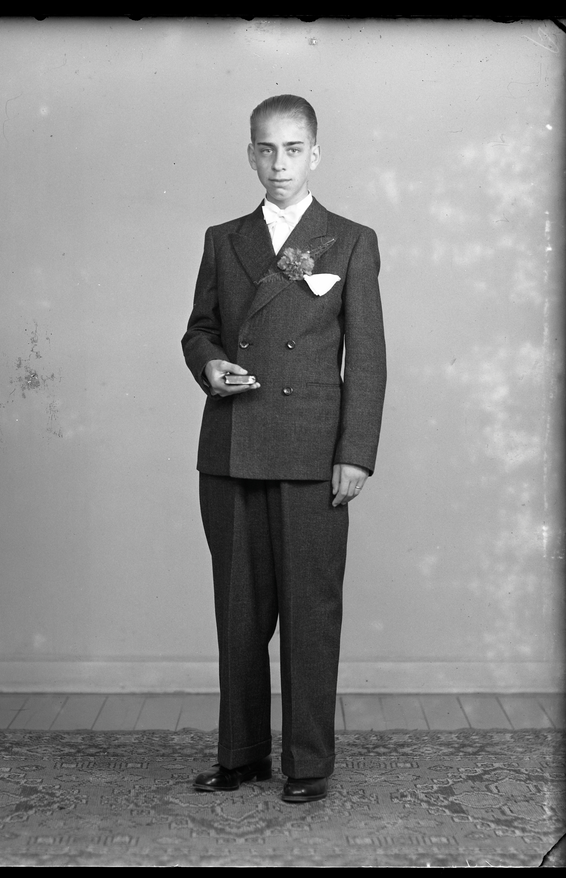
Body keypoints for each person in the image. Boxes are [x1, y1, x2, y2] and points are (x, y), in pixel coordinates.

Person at [181, 95, 386, 803]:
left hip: (310, 451)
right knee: (238, 613)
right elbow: (199, 329)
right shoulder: (223, 238)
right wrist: (209, 365)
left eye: (293, 149)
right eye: (266, 149)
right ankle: (240, 756)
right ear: (250, 155)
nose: (279, 164)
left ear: (315, 155)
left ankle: (307, 763)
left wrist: (355, 452)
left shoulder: (348, 240)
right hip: (233, 446)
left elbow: (367, 358)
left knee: (309, 614)